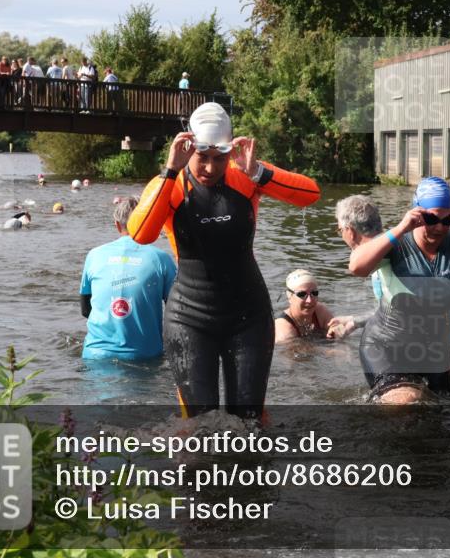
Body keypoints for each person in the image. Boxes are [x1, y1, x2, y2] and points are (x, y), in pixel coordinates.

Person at [128, 102, 320, 419]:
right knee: (197, 424)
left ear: (230, 151)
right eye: (202, 157)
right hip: (189, 317)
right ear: (188, 147)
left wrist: (259, 173)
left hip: (248, 316)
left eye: (219, 158)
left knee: (249, 420)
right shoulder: (171, 183)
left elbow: (310, 195)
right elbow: (140, 234)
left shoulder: (245, 175)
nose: (209, 167)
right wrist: (170, 170)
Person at [347, 177, 450, 402]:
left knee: (440, 413)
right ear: (416, 213)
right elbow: (356, 267)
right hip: (387, 346)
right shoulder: (396, 242)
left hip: (436, 350)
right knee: (404, 403)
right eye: (431, 218)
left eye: (447, 220)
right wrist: (400, 228)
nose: (439, 227)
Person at [332, 194, 450, 362]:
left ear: (349, 231)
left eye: (339, 230)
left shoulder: (382, 258)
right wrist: (353, 320)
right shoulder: (395, 243)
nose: (341, 235)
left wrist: (354, 324)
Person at [80, 197, 177, 361]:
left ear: (117, 225)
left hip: (95, 354)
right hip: (144, 356)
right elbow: (176, 312)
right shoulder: (161, 259)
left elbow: (85, 310)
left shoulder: (94, 255)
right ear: (149, 223)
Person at [275, 270, 336, 342]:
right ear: (289, 297)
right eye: (302, 294)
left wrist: (338, 330)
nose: (309, 300)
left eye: (314, 293)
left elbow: (338, 329)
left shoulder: (319, 311)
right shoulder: (284, 330)